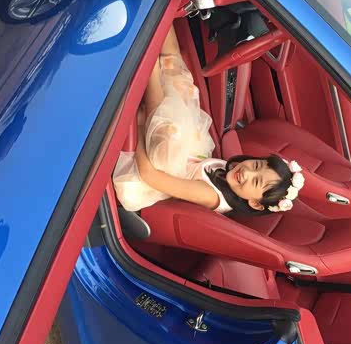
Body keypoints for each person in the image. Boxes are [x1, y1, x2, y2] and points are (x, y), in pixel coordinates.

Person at [113, 24, 304, 215]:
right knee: (183, 88)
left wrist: (138, 126)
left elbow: (149, 175)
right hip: (176, 156)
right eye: (256, 165)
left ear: (255, 204)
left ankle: (150, 70)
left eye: (256, 181)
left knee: (171, 133)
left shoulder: (211, 196)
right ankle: (159, 22)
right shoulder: (227, 174)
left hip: (144, 176)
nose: (247, 172)